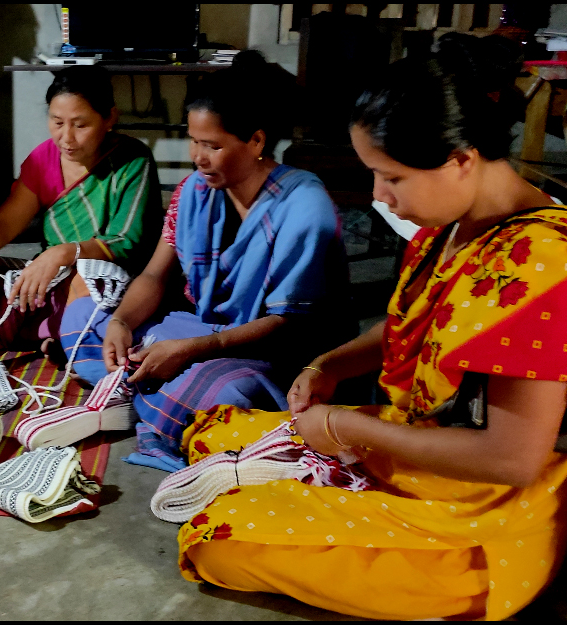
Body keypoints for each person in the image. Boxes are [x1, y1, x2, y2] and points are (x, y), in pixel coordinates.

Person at [176, 35, 567, 621]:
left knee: (220, 538)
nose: (379, 198)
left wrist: (349, 428)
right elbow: (410, 328)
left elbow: (511, 460)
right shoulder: (448, 226)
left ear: (460, 158)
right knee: (210, 435)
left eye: (391, 177)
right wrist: (328, 366)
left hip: (484, 513)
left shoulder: (546, 271)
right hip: (422, 444)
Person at [59, 55, 355, 472]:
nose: (198, 157)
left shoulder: (305, 206)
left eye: (212, 146)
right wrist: (123, 322)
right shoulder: (194, 191)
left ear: (255, 141)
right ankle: (146, 392)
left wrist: (192, 349)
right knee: (85, 321)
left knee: (224, 394)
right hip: (204, 331)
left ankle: (134, 395)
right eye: (193, 141)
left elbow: (289, 323)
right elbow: (154, 275)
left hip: (278, 352)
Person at [0, 65, 162, 354]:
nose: (67, 137)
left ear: (109, 118)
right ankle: (59, 333)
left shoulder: (132, 160)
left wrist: (64, 253)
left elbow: (126, 242)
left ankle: (66, 335)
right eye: (57, 122)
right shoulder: (43, 159)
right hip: (54, 275)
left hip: (110, 276)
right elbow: (4, 225)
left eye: (80, 125)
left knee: (89, 287)